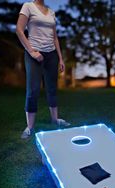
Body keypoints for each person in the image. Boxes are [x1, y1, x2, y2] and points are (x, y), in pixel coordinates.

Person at [16, 0, 70, 139]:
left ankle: (55, 120)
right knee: (33, 90)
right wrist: (32, 52)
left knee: (52, 89)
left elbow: (55, 37)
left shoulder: (51, 12)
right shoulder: (28, 6)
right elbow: (19, 30)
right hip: (34, 53)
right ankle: (30, 127)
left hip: (51, 54)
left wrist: (60, 58)